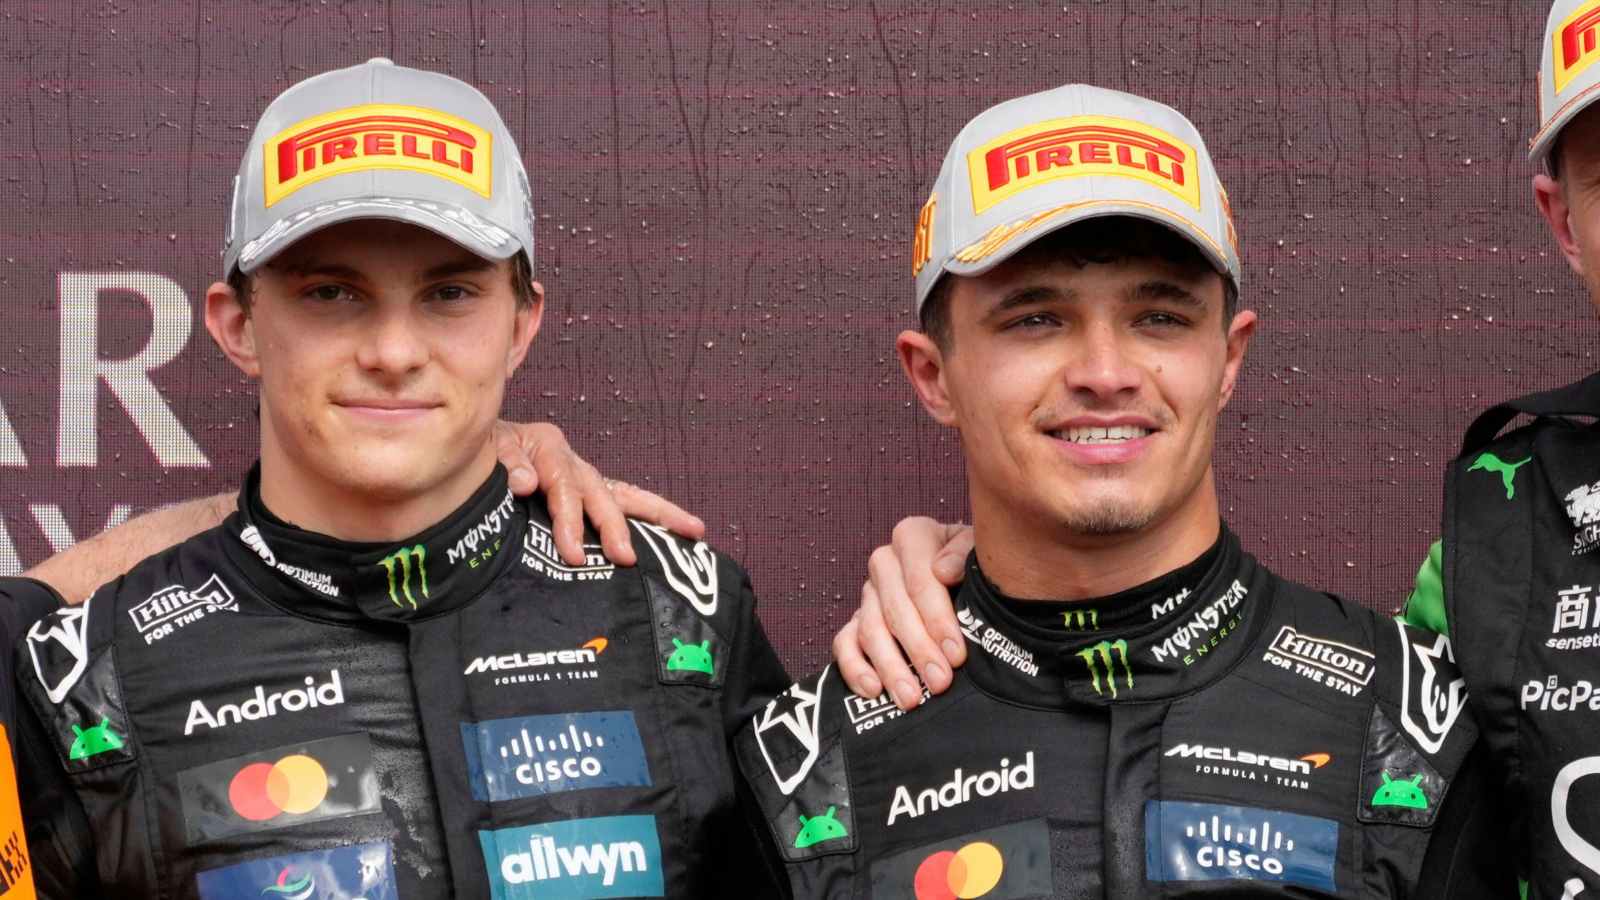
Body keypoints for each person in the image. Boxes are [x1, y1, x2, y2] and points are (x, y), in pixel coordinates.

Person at [10, 58, 791, 898]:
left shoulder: (684, 610)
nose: (392, 352)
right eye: (331, 294)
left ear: (521, 324)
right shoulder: (88, 678)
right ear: (238, 326)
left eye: (449, 292)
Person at [738, 83, 1513, 898]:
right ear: (934, 376)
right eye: (1035, 319)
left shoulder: (1417, 722)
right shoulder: (805, 767)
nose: (1104, 375)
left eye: (1161, 318)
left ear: (1230, 358)